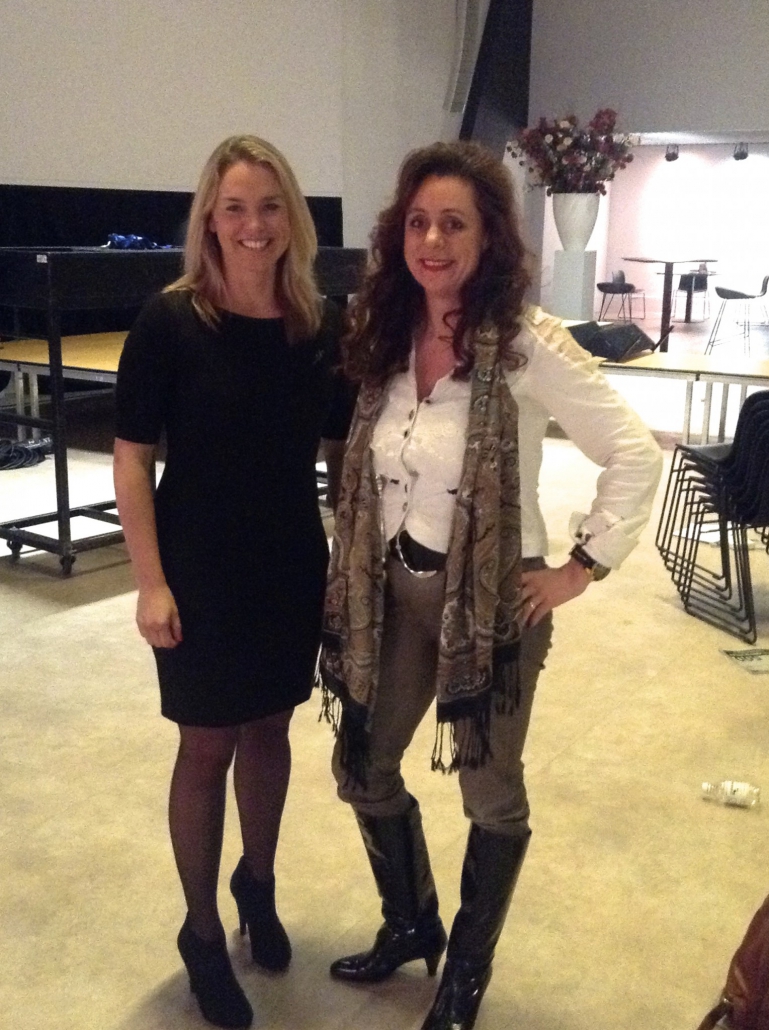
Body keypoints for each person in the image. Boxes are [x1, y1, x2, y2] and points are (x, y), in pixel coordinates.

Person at [319, 140, 663, 1030]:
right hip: (393, 591)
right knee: (363, 766)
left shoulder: (525, 343)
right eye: (418, 223)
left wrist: (580, 568)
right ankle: (411, 923)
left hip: (492, 604)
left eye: (454, 224)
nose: (433, 241)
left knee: (488, 791)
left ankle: (464, 976)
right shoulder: (386, 332)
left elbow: (633, 452)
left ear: (488, 237)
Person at [113, 135, 354, 1030]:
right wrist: (150, 583)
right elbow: (131, 459)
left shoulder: (318, 325)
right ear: (209, 221)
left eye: (269, 206)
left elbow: (340, 450)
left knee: (270, 728)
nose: (254, 225)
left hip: (288, 561)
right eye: (234, 209)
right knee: (207, 742)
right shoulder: (170, 319)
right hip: (198, 567)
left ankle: (258, 883)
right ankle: (203, 932)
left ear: (292, 217)